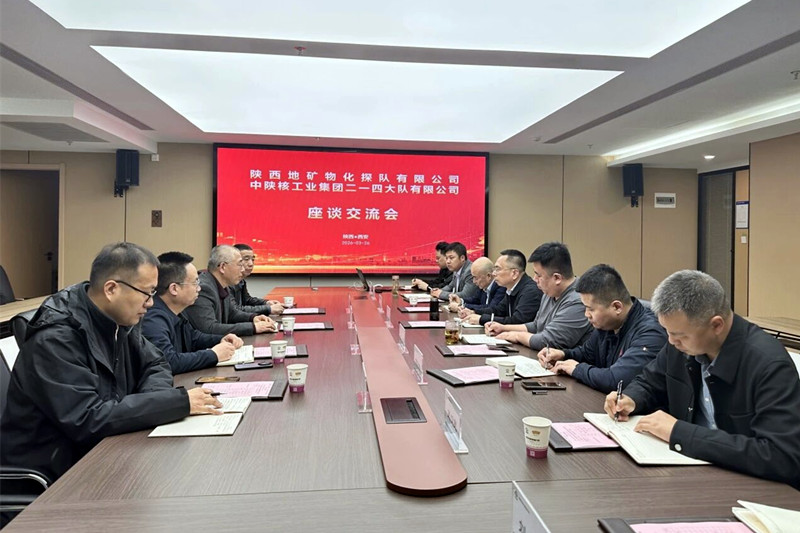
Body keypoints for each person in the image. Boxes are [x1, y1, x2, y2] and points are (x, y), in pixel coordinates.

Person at [0, 242, 223, 483]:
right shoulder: (56, 338)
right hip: (56, 475)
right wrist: (171, 403)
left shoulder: (119, 320)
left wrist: (153, 403)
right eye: (147, 293)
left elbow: (156, 363)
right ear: (111, 289)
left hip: (106, 452)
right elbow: (87, 418)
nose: (151, 303)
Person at [605, 270, 800, 488]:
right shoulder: (681, 345)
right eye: (667, 331)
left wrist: (680, 433)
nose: (671, 341)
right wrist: (631, 398)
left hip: (748, 485)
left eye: (679, 335)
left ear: (716, 325)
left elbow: (780, 456)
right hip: (691, 469)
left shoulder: (768, 364)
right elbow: (650, 381)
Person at [537, 264, 666, 392]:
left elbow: (616, 380)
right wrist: (563, 355)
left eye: (590, 309)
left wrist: (577, 369)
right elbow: (587, 354)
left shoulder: (650, 333)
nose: (586, 314)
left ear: (617, 307)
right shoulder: (607, 324)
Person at [142, 251, 244, 374]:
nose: (199, 288)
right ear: (174, 288)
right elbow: (168, 362)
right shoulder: (153, 319)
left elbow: (194, 338)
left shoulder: (176, 311)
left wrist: (222, 339)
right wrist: (213, 355)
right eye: (195, 283)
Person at [488, 242, 591, 350]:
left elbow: (548, 341)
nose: (534, 279)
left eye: (538, 275)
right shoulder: (550, 291)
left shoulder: (579, 300)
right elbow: (537, 325)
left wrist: (517, 336)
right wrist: (503, 328)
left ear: (557, 278)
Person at [183, 245, 277, 336]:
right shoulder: (204, 288)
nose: (242, 269)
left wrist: (253, 318)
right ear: (223, 267)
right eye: (240, 264)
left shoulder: (223, 285)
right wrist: (253, 327)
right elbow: (209, 328)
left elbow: (232, 313)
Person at [463, 249, 542, 326]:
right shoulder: (511, 288)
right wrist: (474, 312)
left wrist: (482, 319)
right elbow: (498, 310)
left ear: (514, 273)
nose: (494, 273)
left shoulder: (530, 291)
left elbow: (517, 322)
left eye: (498, 269)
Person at [231, 244, 283, 315]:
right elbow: (235, 310)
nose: (251, 264)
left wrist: (266, 303)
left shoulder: (241, 280)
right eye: (246, 259)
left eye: (252, 259)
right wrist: (268, 309)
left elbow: (247, 300)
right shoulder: (228, 282)